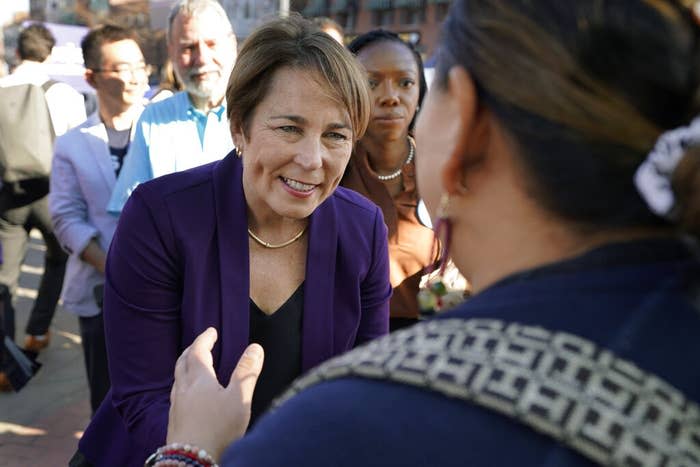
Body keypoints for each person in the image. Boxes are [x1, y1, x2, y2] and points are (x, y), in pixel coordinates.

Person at [158, 1, 700, 466]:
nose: (312, 157)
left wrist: (192, 452)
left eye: (420, 87)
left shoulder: (356, 424)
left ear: (462, 115)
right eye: (288, 127)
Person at [74, 15, 390, 467]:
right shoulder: (160, 215)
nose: (311, 159)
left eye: (335, 135)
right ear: (239, 125)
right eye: (289, 128)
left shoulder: (364, 229)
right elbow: (142, 394)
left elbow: (364, 386)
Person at [48, 24, 148, 415]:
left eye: (140, 65)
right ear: (91, 77)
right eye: (122, 68)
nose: (136, 76)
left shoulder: (163, 127)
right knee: (108, 404)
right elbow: (65, 216)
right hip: (100, 291)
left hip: (166, 289)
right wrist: (113, 268)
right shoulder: (72, 144)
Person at [342, 30, 440, 330]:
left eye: (405, 82)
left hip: (431, 337)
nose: (390, 97)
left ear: (420, 92)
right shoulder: (328, 168)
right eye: (372, 83)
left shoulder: (447, 168)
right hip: (346, 339)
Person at [0, 23, 85, 357]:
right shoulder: (64, 93)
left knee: (5, 276)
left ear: (17, 51)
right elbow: (78, 151)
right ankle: (37, 331)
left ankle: (5, 360)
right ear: (49, 55)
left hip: (8, 198)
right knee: (57, 259)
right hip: (52, 195)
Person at [106, 0, 237, 214]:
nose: (202, 58)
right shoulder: (154, 118)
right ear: (172, 51)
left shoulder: (261, 112)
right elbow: (131, 208)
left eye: (211, 44)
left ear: (232, 44)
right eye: (188, 47)